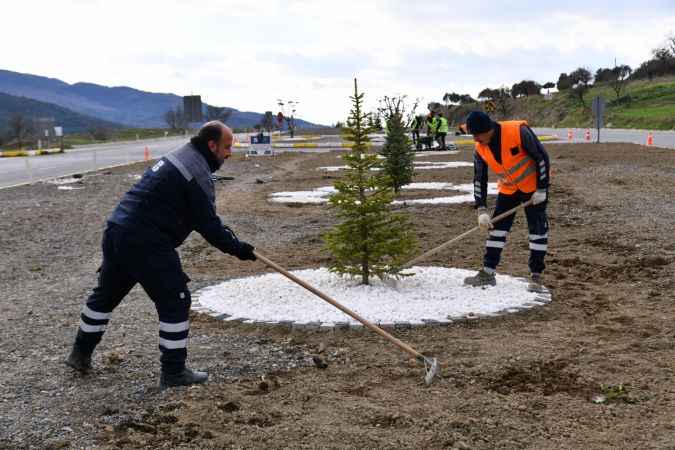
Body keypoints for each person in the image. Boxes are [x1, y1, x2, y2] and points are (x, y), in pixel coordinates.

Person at [65, 121, 257, 390]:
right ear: (211, 145)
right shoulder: (196, 171)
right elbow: (209, 226)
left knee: (105, 296)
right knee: (176, 299)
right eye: (226, 147)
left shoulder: (180, 156)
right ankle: (174, 372)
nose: (229, 154)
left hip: (118, 231)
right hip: (146, 241)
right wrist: (239, 248)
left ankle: (79, 354)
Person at [462, 111, 550, 293]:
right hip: (509, 189)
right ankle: (488, 272)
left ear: (488, 130)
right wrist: (481, 208)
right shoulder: (480, 148)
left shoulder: (518, 131)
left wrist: (542, 188)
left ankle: (536, 276)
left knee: (537, 230)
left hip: (533, 188)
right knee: (497, 229)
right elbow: (479, 178)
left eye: (477, 134)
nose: (475, 139)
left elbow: (542, 158)